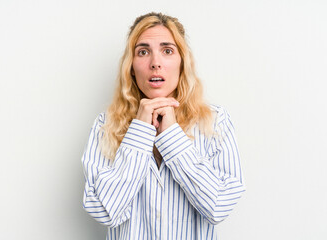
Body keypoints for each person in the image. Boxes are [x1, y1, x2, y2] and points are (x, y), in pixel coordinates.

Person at [82, 12, 245, 239]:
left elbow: (218, 206)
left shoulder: (215, 122)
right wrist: (139, 131)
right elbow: (105, 211)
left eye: (167, 51)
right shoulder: (106, 126)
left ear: (182, 62)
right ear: (131, 66)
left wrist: (171, 136)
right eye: (143, 52)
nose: (155, 63)